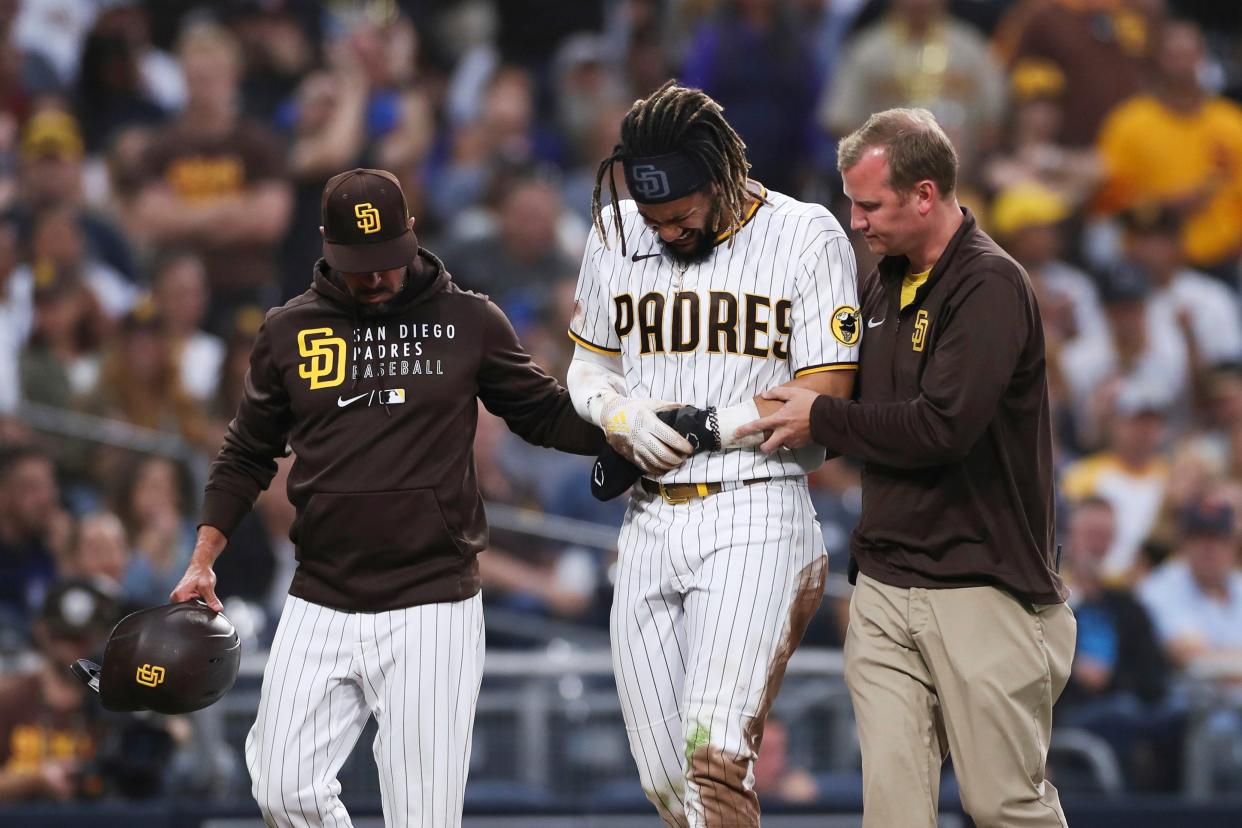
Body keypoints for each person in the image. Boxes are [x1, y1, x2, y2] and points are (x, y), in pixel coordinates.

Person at [169, 167, 605, 828]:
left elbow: (544, 414)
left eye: (386, 261)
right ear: (324, 245)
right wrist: (203, 557)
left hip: (433, 600)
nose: (375, 277)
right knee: (282, 788)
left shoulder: (467, 319)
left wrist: (624, 429)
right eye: (358, 264)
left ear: (411, 235)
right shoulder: (289, 330)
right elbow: (246, 453)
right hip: (322, 595)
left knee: (423, 817)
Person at [740, 108, 1074, 827]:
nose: (854, 221)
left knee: (1003, 805)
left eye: (869, 205)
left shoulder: (989, 286)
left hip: (981, 586)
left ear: (925, 194)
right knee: (892, 812)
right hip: (887, 583)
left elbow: (941, 427)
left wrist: (821, 417)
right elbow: (851, 400)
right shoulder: (887, 280)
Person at [568, 81, 858, 826]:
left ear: (722, 177)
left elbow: (825, 387)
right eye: (653, 215)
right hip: (647, 521)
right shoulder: (615, 230)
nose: (664, 230)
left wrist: (707, 426)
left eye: (680, 214)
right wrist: (617, 409)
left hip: (753, 508)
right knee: (667, 780)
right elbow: (588, 363)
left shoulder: (805, 233)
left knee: (714, 754)